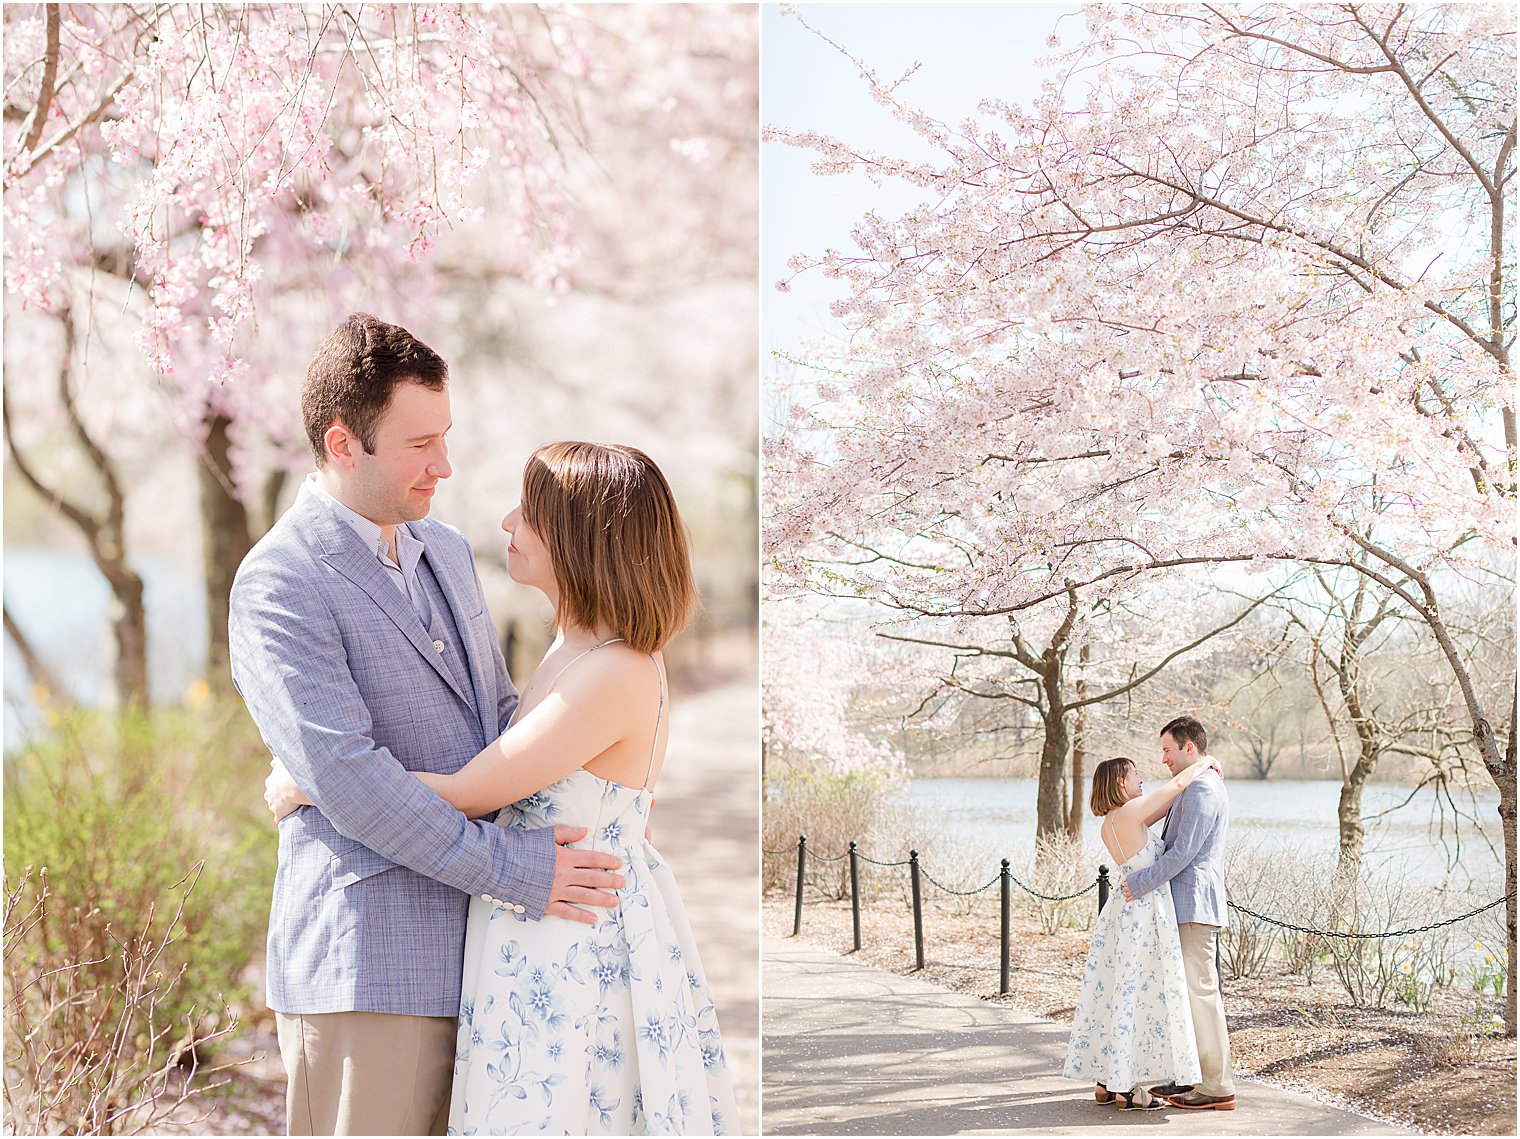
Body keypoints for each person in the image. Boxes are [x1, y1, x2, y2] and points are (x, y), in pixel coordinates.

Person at [268, 441, 739, 1135]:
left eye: (533, 512)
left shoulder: (616, 669)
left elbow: (471, 789)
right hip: (543, 918)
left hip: (575, 934)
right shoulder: (575, 650)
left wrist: (314, 780)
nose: (507, 520)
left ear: (582, 537)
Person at [229, 313, 625, 1136]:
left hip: (487, 957)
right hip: (369, 963)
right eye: (419, 445)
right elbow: (354, 783)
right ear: (344, 443)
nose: (444, 465)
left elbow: (496, 724)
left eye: (445, 437)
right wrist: (518, 870)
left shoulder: (442, 548)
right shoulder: (280, 581)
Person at [1062, 752, 1217, 1110]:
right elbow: (1177, 786)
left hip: (1121, 912)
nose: (1141, 780)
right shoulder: (1131, 814)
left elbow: (1170, 802)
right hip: (1145, 912)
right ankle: (1126, 1088)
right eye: (1135, 775)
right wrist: (1207, 760)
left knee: (1118, 992)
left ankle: (1106, 1080)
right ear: (1120, 782)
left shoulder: (1109, 823)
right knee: (1139, 995)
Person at [1122, 714, 1236, 1110]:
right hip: (1183, 904)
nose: (1164, 759)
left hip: (1194, 904)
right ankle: (1192, 1076)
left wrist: (1139, 884)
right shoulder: (1194, 784)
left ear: (1190, 748)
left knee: (1201, 994)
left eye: (1169, 750)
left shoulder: (1204, 788)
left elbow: (1184, 851)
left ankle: (1218, 1086)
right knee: (1186, 994)